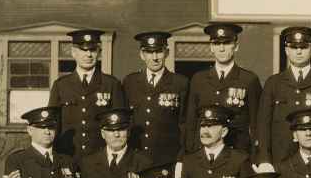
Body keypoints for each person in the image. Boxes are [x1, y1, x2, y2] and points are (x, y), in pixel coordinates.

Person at [257, 26, 311, 163]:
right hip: (280, 160)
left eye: (303, 47)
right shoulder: (273, 83)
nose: (299, 51)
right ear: (286, 51)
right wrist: (265, 161)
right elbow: (263, 127)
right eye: (294, 47)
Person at [48, 28, 126, 160]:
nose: (88, 55)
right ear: (73, 52)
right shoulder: (61, 85)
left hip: (100, 159)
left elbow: (120, 125)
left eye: (93, 50)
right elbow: (52, 125)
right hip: (67, 156)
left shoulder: (111, 84)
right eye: (83, 50)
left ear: (99, 53)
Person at [184, 22, 261, 155]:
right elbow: (191, 122)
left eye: (226, 43)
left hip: (238, 153)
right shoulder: (199, 80)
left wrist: (255, 157)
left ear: (236, 46)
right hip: (204, 155)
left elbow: (257, 125)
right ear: (211, 47)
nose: (221, 48)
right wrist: (190, 154)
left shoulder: (249, 80)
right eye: (216, 44)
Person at [123, 30, 189, 166]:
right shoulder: (130, 82)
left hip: (167, 160)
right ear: (142, 54)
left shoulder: (180, 83)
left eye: (159, 51)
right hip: (135, 159)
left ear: (167, 53)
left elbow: (185, 125)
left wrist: (181, 159)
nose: (155, 57)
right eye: (149, 52)